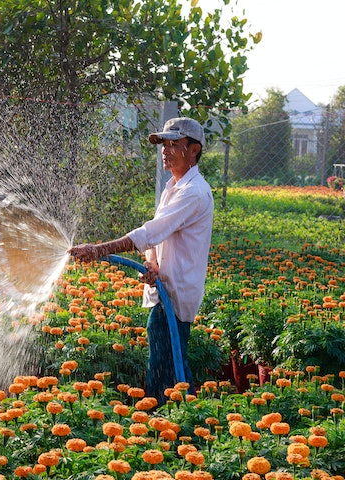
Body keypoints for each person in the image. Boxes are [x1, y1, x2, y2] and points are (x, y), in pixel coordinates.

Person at [68, 117, 214, 404]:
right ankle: (174, 419)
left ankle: (166, 421)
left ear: (194, 149)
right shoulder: (175, 188)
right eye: (163, 144)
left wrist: (98, 249)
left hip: (176, 293)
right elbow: (157, 237)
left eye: (174, 144)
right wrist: (152, 263)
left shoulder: (194, 192)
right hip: (165, 288)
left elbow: (150, 232)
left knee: (167, 366)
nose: (165, 150)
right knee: (169, 361)